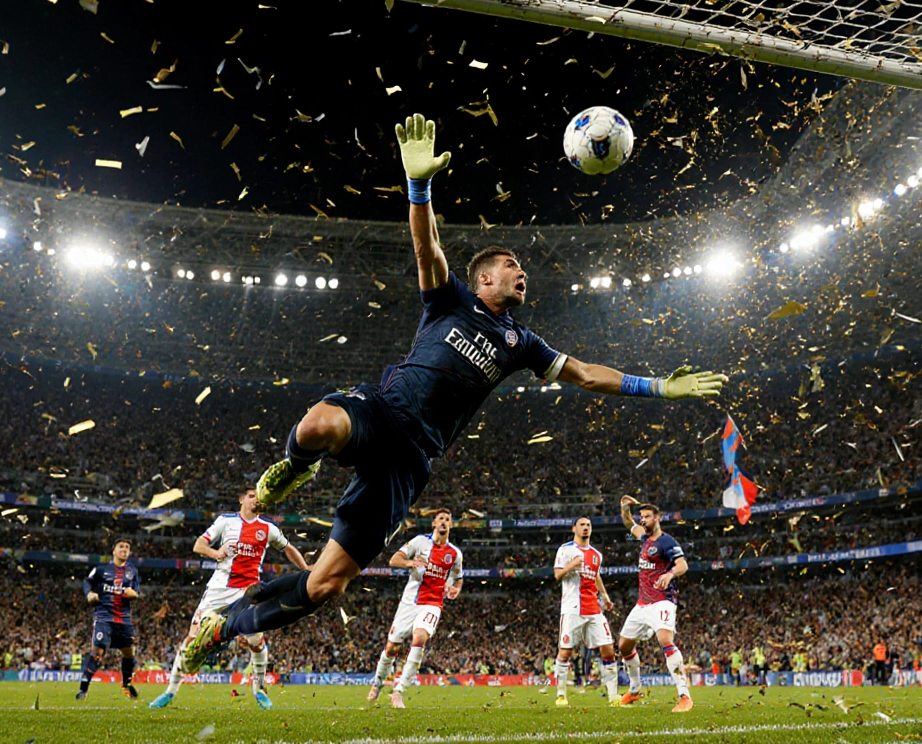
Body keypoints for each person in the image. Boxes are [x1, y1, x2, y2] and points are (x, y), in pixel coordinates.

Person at [178, 112, 726, 673]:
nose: (522, 274)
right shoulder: (451, 300)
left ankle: (227, 627)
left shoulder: (521, 342)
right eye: (511, 267)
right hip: (383, 412)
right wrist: (419, 187)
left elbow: (585, 374)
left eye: (522, 270)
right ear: (483, 279)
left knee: (326, 587)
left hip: (411, 462)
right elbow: (428, 247)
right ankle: (293, 467)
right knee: (318, 424)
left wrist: (658, 386)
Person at [149, 488, 310, 710]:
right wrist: (216, 553)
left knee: (255, 640)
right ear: (242, 499)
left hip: (248, 592)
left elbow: (288, 548)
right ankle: (169, 692)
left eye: (259, 498)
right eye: (252, 496)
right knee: (192, 638)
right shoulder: (225, 521)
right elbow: (198, 545)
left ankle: (259, 689)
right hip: (218, 591)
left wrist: (306, 568)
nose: (256, 500)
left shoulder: (268, 528)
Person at [366, 508, 463, 708]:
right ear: (434, 524)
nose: (444, 522)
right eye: (440, 519)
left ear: (451, 525)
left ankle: (398, 690)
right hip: (409, 603)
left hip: (433, 604)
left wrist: (455, 590)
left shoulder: (455, 554)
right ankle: (377, 684)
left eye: (447, 519)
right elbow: (394, 560)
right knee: (392, 647)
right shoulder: (420, 542)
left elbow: (458, 579)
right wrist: (411, 562)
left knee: (420, 637)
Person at [613, 498, 693, 712]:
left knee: (665, 639)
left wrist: (669, 573)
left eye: (648, 516)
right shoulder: (643, 539)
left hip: (662, 600)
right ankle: (635, 689)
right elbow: (628, 522)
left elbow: (682, 565)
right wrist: (624, 506)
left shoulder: (667, 542)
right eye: (643, 517)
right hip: (642, 603)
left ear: (657, 518)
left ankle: (684, 696)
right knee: (624, 646)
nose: (644, 520)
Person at [553, 517, 620, 707]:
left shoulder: (596, 555)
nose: (585, 528)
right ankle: (560, 695)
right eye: (582, 525)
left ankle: (614, 696)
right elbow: (557, 575)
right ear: (574, 528)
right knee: (565, 652)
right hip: (572, 608)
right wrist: (571, 566)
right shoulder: (565, 550)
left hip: (594, 608)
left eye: (588, 525)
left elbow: (596, 575)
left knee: (608, 650)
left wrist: (605, 597)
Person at [78, 540, 141, 700]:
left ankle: (126, 686)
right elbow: (87, 582)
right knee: (98, 650)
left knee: (129, 653)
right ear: (114, 551)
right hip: (104, 616)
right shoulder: (101, 569)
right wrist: (89, 594)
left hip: (124, 619)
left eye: (127, 547)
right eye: (121, 547)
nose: (124, 550)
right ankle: (83, 690)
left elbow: (136, 592)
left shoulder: (132, 571)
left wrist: (132, 594)